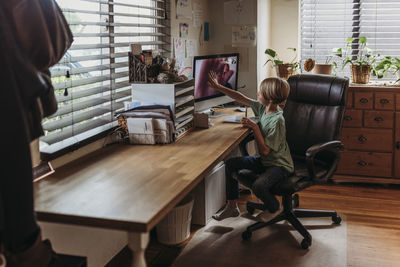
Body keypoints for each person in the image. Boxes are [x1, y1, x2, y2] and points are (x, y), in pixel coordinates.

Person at [207, 71, 294, 222]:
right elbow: (239, 97)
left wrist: (255, 128)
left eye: (260, 92)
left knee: (259, 186)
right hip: (265, 161)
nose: (257, 93)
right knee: (230, 164)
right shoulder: (263, 108)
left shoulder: (277, 120)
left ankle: (275, 208)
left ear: (270, 98)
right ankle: (232, 207)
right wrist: (218, 86)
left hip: (279, 165)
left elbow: (265, 151)